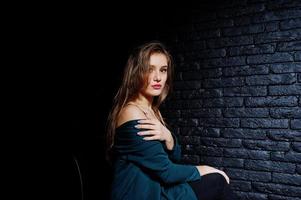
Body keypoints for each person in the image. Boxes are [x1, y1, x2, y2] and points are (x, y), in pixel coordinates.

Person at [106, 41, 236, 200]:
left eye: (163, 70)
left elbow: (174, 157)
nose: (157, 77)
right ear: (136, 72)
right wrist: (206, 169)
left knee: (216, 183)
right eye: (149, 69)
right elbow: (167, 172)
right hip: (141, 194)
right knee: (217, 181)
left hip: (158, 189)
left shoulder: (152, 111)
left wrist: (168, 137)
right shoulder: (131, 112)